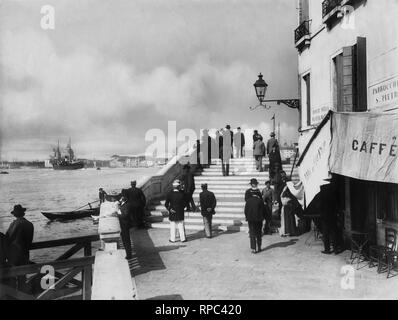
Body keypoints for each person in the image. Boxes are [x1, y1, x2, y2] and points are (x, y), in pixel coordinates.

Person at [245, 189, 266, 254]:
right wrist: (263, 217)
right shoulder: (260, 201)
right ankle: (259, 247)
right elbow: (263, 210)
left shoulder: (248, 201)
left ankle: (253, 248)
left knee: (252, 233)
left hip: (251, 220)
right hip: (259, 220)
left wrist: (247, 217)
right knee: (259, 233)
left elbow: (246, 211)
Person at [117, 194, 133, 259]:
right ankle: (128, 254)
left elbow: (125, 215)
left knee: (126, 240)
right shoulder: (124, 204)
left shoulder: (126, 205)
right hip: (124, 225)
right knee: (125, 240)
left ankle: (129, 255)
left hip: (125, 225)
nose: (119, 200)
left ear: (123, 199)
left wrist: (118, 214)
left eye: (120, 199)